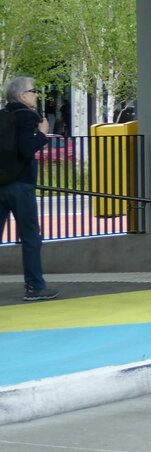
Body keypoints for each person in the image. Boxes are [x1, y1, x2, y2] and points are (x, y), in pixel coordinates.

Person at [1, 76, 58, 302]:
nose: (37, 95)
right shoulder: (26, 116)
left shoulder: (2, 115)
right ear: (23, 96)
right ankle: (35, 286)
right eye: (34, 91)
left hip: (1, 183)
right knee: (30, 237)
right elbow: (27, 149)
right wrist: (42, 133)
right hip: (21, 185)